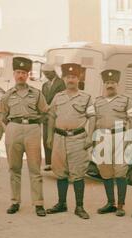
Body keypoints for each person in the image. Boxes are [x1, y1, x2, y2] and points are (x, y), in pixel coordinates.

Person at [0, 57, 49, 217]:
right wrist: (9, 130)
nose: (21, 75)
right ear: (14, 74)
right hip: (14, 129)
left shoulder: (36, 93)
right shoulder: (7, 95)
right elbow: (2, 116)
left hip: (32, 129)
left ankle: (38, 203)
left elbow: (45, 113)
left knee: (35, 168)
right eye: (18, 72)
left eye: (24, 73)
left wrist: (35, 125)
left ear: (28, 75)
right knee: (14, 168)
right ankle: (15, 201)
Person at [45, 63, 94, 219]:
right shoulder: (58, 97)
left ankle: (79, 207)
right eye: (67, 77)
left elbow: (92, 117)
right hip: (59, 138)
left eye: (73, 77)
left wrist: (91, 136)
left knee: (78, 174)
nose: (70, 80)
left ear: (78, 78)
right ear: (64, 79)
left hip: (78, 139)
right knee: (60, 172)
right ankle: (61, 203)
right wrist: (49, 136)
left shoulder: (86, 98)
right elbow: (51, 116)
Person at [93, 69, 132, 217]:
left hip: (120, 137)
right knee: (105, 171)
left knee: (120, 171)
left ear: (118, 84)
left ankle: (120, 205)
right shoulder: (97, 101)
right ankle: (110, 203)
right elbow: (93, 120)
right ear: (104, 84)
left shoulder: (125, 100)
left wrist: (131, 138)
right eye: (107, 83)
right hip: (102, 138)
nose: (110, 85)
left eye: (113, 83)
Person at [41, 63, 66, 172]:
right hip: (46, 116)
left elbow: (61, 99)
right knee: (46, 139)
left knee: (56, 141)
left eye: (47, 73)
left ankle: (57, 163)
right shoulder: (45, 85)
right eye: (44, 74)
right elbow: (42, 99)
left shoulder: (61, 83)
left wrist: (50, 107)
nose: (46, 76)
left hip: (57, 115)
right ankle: (48, 162)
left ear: (53, 72)